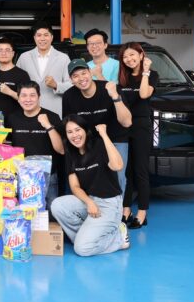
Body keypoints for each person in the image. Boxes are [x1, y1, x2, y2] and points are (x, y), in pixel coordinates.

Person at [50, 115, 130, 256]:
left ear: (85, 130)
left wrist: (104, 135)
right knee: (57, 205)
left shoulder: (99, 145)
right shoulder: (70, 153)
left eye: (78, 130)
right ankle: (84, 237)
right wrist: (89, 202)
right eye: (70, 132)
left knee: (82, 249)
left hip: (109, 204)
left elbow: (118, 165)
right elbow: (75, 187)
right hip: (89, 201)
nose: (75, 135)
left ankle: (118, 237)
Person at [62, 59, 132, 193]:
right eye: (75, 76)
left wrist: (115, 96)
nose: (81, 78)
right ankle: (92, 204)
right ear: (71, 80)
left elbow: (127, 122)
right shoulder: (69, 96)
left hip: (115, 138)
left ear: (90, 73)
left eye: (84, 73)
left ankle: (118, 206)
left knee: (118, 176)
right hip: (88, 141)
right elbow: (68, 125)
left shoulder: (109, 88)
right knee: (88, 178)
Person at [118, 42, 159, 229]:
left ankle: (142, 212)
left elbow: (143, 94)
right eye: (125, 57)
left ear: (141, 55)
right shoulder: (122, 78)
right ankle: (126, 209)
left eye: (132, 55)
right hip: (123, 126)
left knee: (140, 170)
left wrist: (146, 72)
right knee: (126, 171)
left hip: (141, 126)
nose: (129, 59)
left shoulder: (152, 75)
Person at [5, 81, 64, 208]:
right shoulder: (12, 118)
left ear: (39, 97)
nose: (28, 99)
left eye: (32, 95)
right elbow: (7, 147)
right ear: (18, 98)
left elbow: (61, 149)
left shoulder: (52, 117)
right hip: (22, 177)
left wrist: (48, 126)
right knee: (24, 213)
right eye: (24, 95)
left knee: (51, 214)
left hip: (48, 176)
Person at [16, 22, 72, 117]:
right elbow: (17, 83)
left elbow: (72, 85)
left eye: (46, 35)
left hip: (54, 110)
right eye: (39, 35)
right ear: (34, 38)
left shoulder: (63, 58)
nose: (42, 38)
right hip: (28, 110)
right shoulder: (24, 57)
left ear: (51, 37)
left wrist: (56, 85)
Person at [0, 37, 31, 117]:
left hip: (16, 120)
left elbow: (28, 99)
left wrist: (10, 92)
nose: (3, 53)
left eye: (7, 50)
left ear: (13, 53)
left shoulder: (22, 74)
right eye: (0, 50)